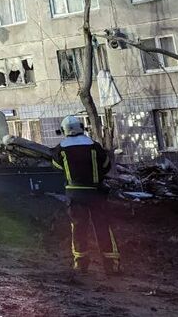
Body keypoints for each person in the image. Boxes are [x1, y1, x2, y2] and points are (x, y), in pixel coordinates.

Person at [51, 115, 121, 275]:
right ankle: (111, 264)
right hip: (96, 193)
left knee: (78, 228)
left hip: (75, 194)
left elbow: (56, 166)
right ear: (81, 127)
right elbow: (106, 165)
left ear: (64, 130)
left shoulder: (61, 149)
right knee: (102, 227)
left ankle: (81, 264)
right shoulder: (94, 146)